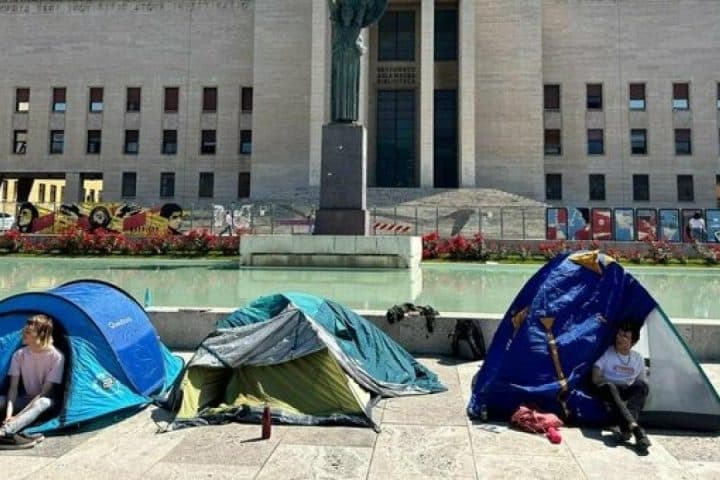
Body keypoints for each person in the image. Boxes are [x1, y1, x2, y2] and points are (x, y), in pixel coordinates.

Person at [0, 314, 65, 449]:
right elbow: (13, 388)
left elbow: (43, 393)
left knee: (42, 402)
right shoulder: (20, 355)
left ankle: (5, 432)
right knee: (1, 400)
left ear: (42, 334)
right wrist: (9, 415)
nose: (24, 334)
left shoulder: (57, 357)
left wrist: (17, 417)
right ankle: (11, 425)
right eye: (24, 330)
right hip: (26, 399)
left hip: (47, 401)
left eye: (28, 332)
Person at [592, 323, 651, 452]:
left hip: (626, 389)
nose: (620, 338)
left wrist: (630, 387)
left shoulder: (638, 358)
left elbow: (641, 384)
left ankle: (625, 428)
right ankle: (636, 430)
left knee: (642, 386)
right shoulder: (607, 353)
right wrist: (612, 383)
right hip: (608, 389)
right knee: (609, 386)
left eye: (625, 336)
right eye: (619, 334)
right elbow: (595, 378)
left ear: (633, 342)